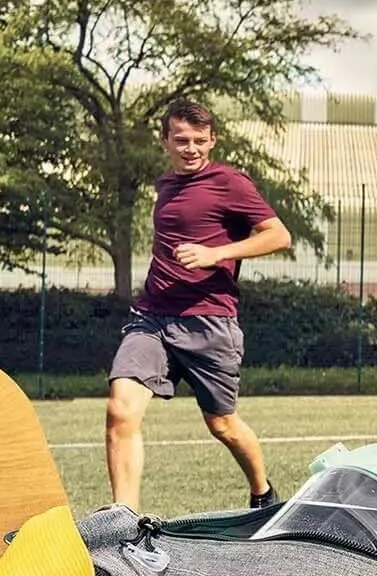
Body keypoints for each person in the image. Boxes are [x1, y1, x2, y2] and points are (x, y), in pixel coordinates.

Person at [107, 98, 294, 512]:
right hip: (152, 318)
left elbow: (279, 236)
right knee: (121, 410)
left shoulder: (231, 183)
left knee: (222, 424)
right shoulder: (165, 185)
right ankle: (124, 521)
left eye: (198, 141)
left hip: (209, 322)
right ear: (165, 141)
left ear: (212, 141)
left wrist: (215, 254)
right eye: (181, 140)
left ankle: (263, 493)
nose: (190, 148)